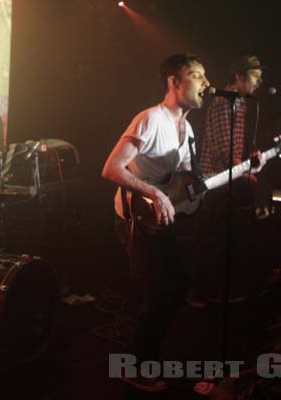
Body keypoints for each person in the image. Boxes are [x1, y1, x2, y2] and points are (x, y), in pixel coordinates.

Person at [101, 53, 210, 391]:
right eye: (196, 75)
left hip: (164, 222)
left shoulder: (188, 128)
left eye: (206, 76)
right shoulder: (150, 119)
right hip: (137, 219)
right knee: (158, 294)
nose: (206, 83)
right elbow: (111, 168)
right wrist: (155, 194)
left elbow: (181, 181)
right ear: (173, 82)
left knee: (177, 287)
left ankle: (148, 353)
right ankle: (132, 365)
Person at [190, 55, 269, 306]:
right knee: (213, 239)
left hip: (227, 180)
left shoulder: (243, 105)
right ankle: (203, 292)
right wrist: (245, 172)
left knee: (224, 238)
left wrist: (253, 158)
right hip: (215, 181)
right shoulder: (226, 102)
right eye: (255, 76)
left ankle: (220, 289)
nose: (260, 81)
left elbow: (235, 149)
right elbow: (226, 152)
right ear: (239, 77)